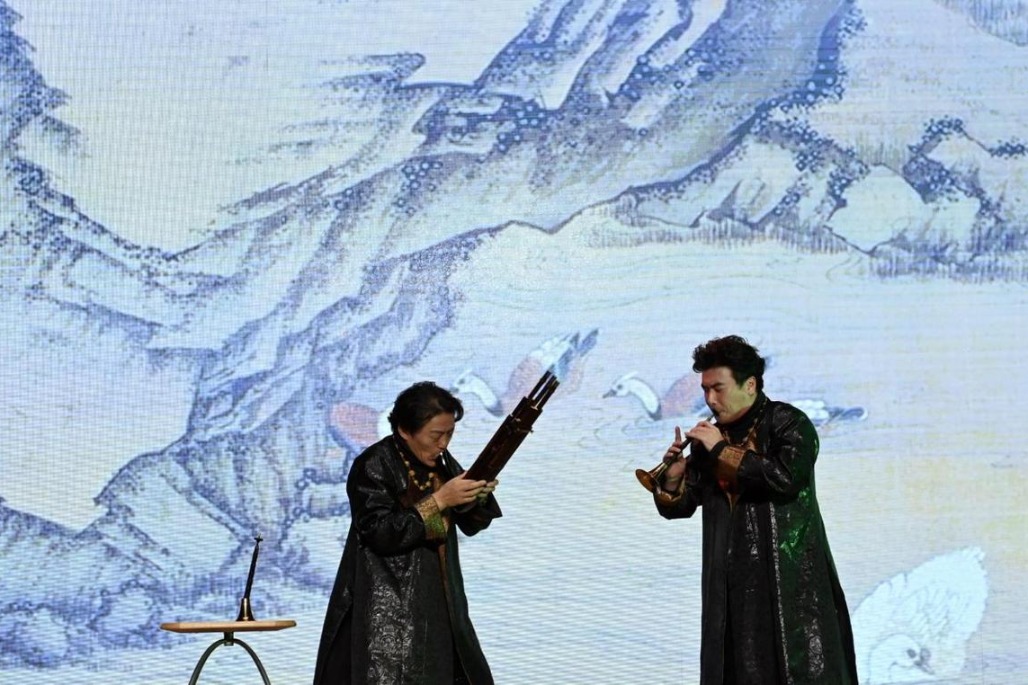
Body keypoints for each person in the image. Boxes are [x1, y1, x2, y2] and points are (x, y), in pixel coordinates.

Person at [653, 335, 858, 684]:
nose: (710, 399)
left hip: (789, 586)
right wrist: (673, 481)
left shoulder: (788, 424)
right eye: (705, 390)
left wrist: (722, 451)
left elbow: (784, 478)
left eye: (718, 388)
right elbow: (682, 507)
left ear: (750, 385)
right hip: (730, 591)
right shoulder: (707, 442)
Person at [312, 381, 500, 685]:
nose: (443, 444)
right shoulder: (374, 464)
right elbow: (379, 532)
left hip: (439, 605)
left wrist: (476, 496)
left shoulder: (440, 464)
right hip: (389, 614)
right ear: (404, 430)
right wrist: (440, 500)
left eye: (449, 434)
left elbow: (472, 523)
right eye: (436, 436)